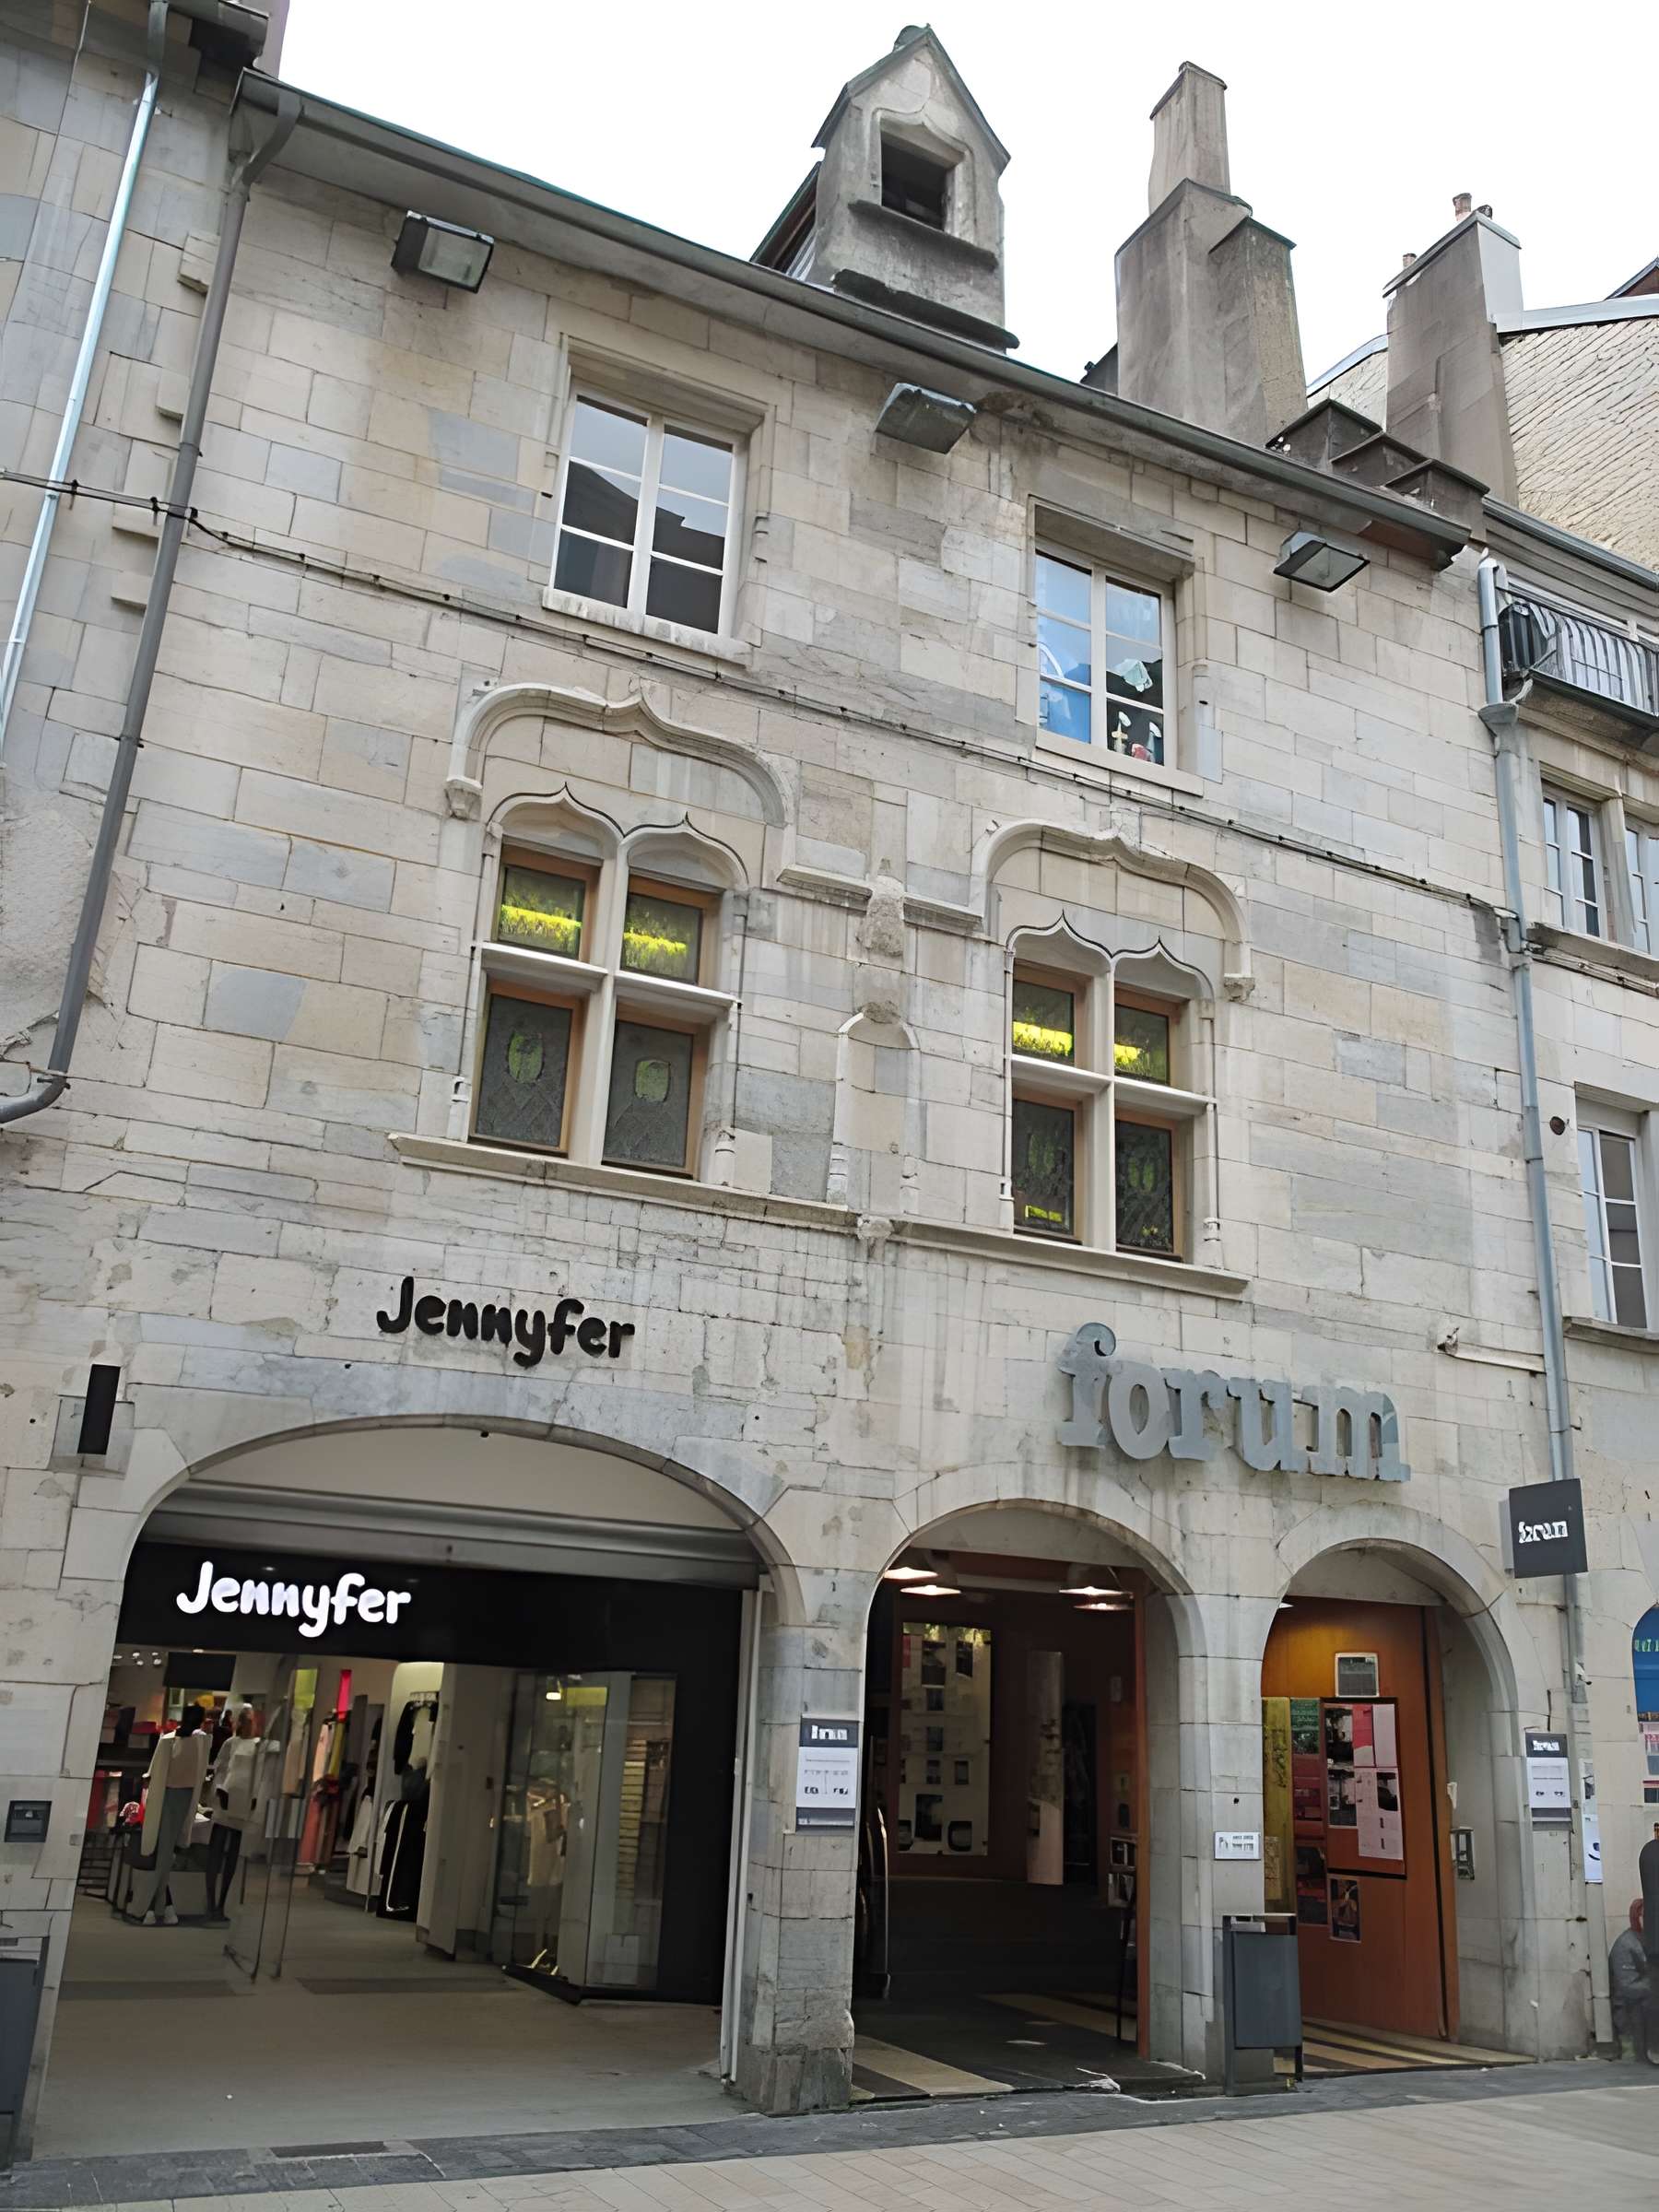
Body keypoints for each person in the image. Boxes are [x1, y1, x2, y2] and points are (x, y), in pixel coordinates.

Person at [1609, 1899, 1652, 2062]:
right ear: (1637, 1918)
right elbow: (1627, 1987)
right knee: (1633, 2062)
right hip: (1630, 2016)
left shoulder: (1650, 1940)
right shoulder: (1626, 1945)